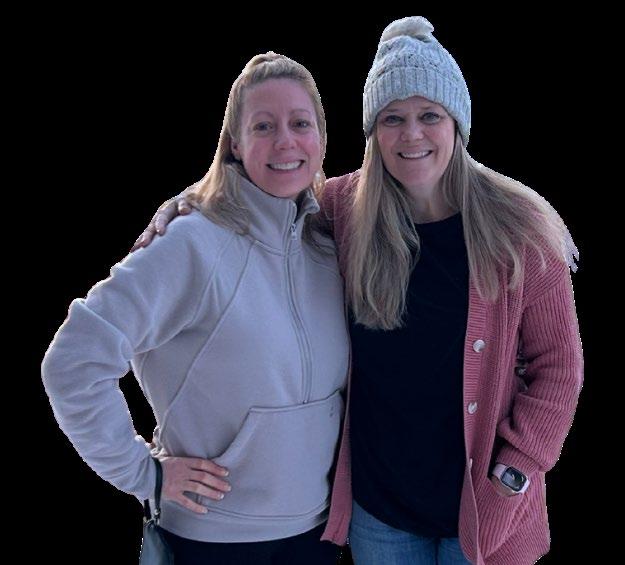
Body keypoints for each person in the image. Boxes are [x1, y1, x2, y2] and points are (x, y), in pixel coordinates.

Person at [132, 17, 583, 565]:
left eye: (429, 115)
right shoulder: (343, 212)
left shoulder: (520, 228)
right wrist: (185, 202)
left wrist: (516, 471)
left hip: (483, 510)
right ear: (373, 131)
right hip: (380, 514)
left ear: (457, 123)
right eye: (392, 118)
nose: (411, 135)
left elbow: (559, 367)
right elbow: (265, 188)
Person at [41, 52, 350, 565]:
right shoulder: (193, 243)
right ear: (235, 144)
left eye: (300, 124)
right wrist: (143, 473)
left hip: (315, 533)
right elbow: (74, 360)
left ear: (321, 137)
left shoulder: (330, 241)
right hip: (212, 538)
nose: (285, 141)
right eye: (263, 126)